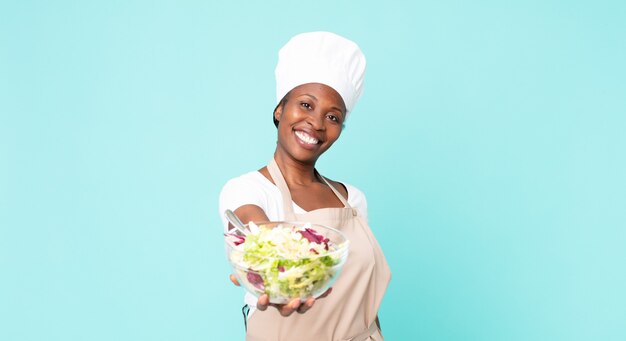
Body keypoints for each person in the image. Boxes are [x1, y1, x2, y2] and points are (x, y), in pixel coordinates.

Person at [219, 31, 391, 341]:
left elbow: (365, 302)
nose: (317, 123)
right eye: (306, 105)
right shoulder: (247, 189)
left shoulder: (353, 201)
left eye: (333, 116)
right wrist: (275, 276)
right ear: (279, 109)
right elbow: (255, 228)